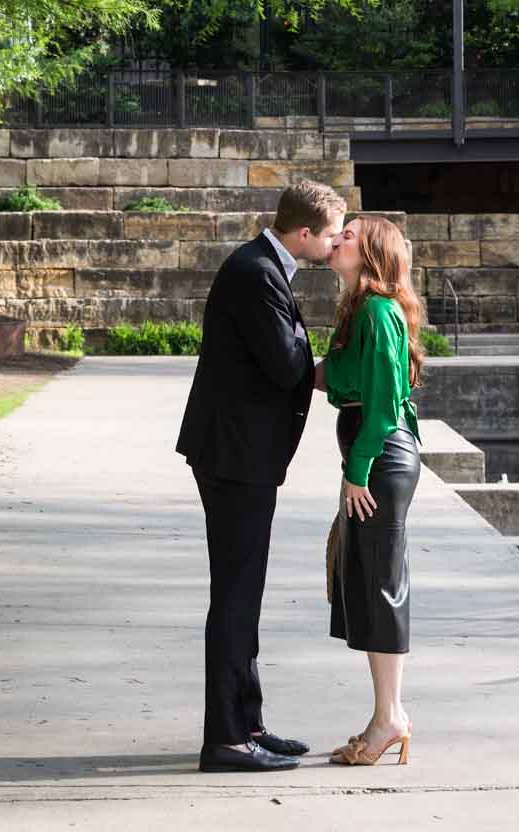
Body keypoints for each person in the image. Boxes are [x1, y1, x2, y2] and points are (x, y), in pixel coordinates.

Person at [176, 178, 346, 775]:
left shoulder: (265, 269)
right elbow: (286, 364)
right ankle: (226, 739)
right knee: (235, 596)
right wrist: (332, 354)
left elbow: (284, 357)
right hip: (233, 457)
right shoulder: (255, 273)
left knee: (243, 594)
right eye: (329, 237)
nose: (334, 247)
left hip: (241, 455)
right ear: (304, 233)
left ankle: (247, 723)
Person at [317, 214, 424, 768]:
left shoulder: (380, 311)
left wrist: (356, 469)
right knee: (367, 583)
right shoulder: (362, 311)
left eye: (349, 235)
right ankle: (385, 714)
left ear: (373, 252)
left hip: (379, 459)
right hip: (371, 456)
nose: (337, 239)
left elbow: (383, 407)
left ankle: (391, 717)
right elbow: (337, 377)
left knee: (382, 584)